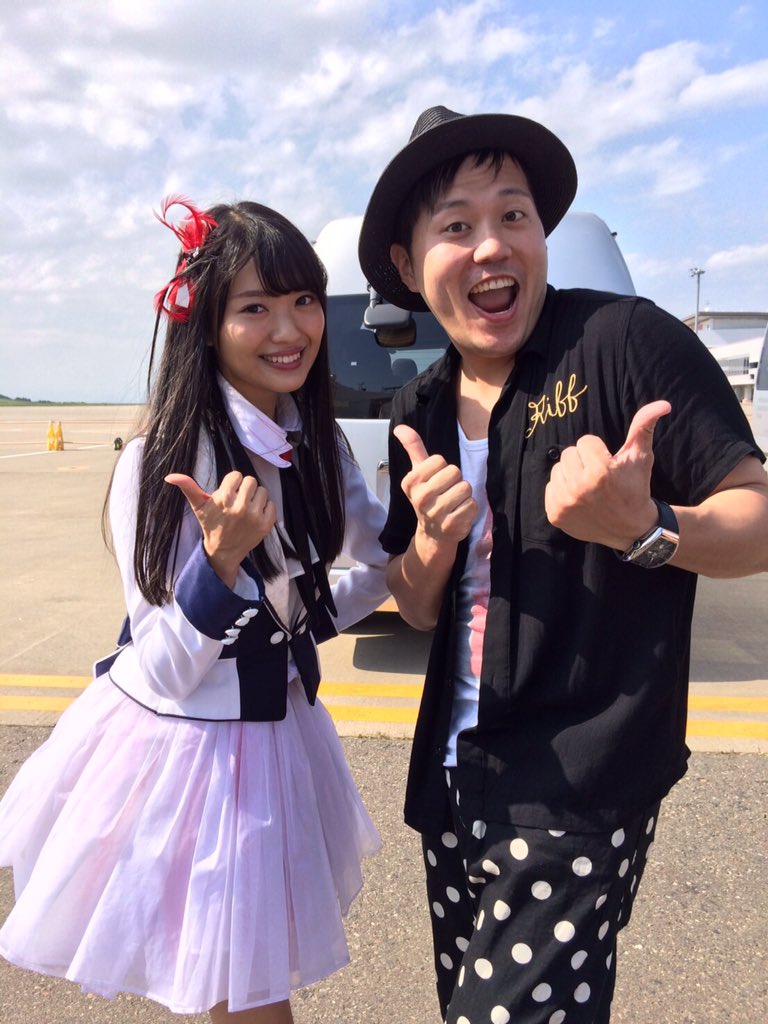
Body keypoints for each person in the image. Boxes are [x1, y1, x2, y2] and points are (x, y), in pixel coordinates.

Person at [358, 105, 768, 1024]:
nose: (491, 245)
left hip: (577, 785)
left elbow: (758, 516)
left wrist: (646, 526)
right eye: (456, 225)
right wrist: (431, 543)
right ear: (407, 265)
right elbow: (415, 607)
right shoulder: (417, 408)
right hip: (454, 778)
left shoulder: (623, 342)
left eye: (514, 215)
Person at [0, 197, 390, 1022]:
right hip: (195, 758)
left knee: (244, 990)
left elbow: (349, 581)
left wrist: (418, 554)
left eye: (304, 300)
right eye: (255, 308)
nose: (290, 329)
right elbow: (166, 667)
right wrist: (218, 566)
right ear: (206, 324)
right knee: (240, 993)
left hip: (280, 734)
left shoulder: (317, 443)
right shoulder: (163, 462)